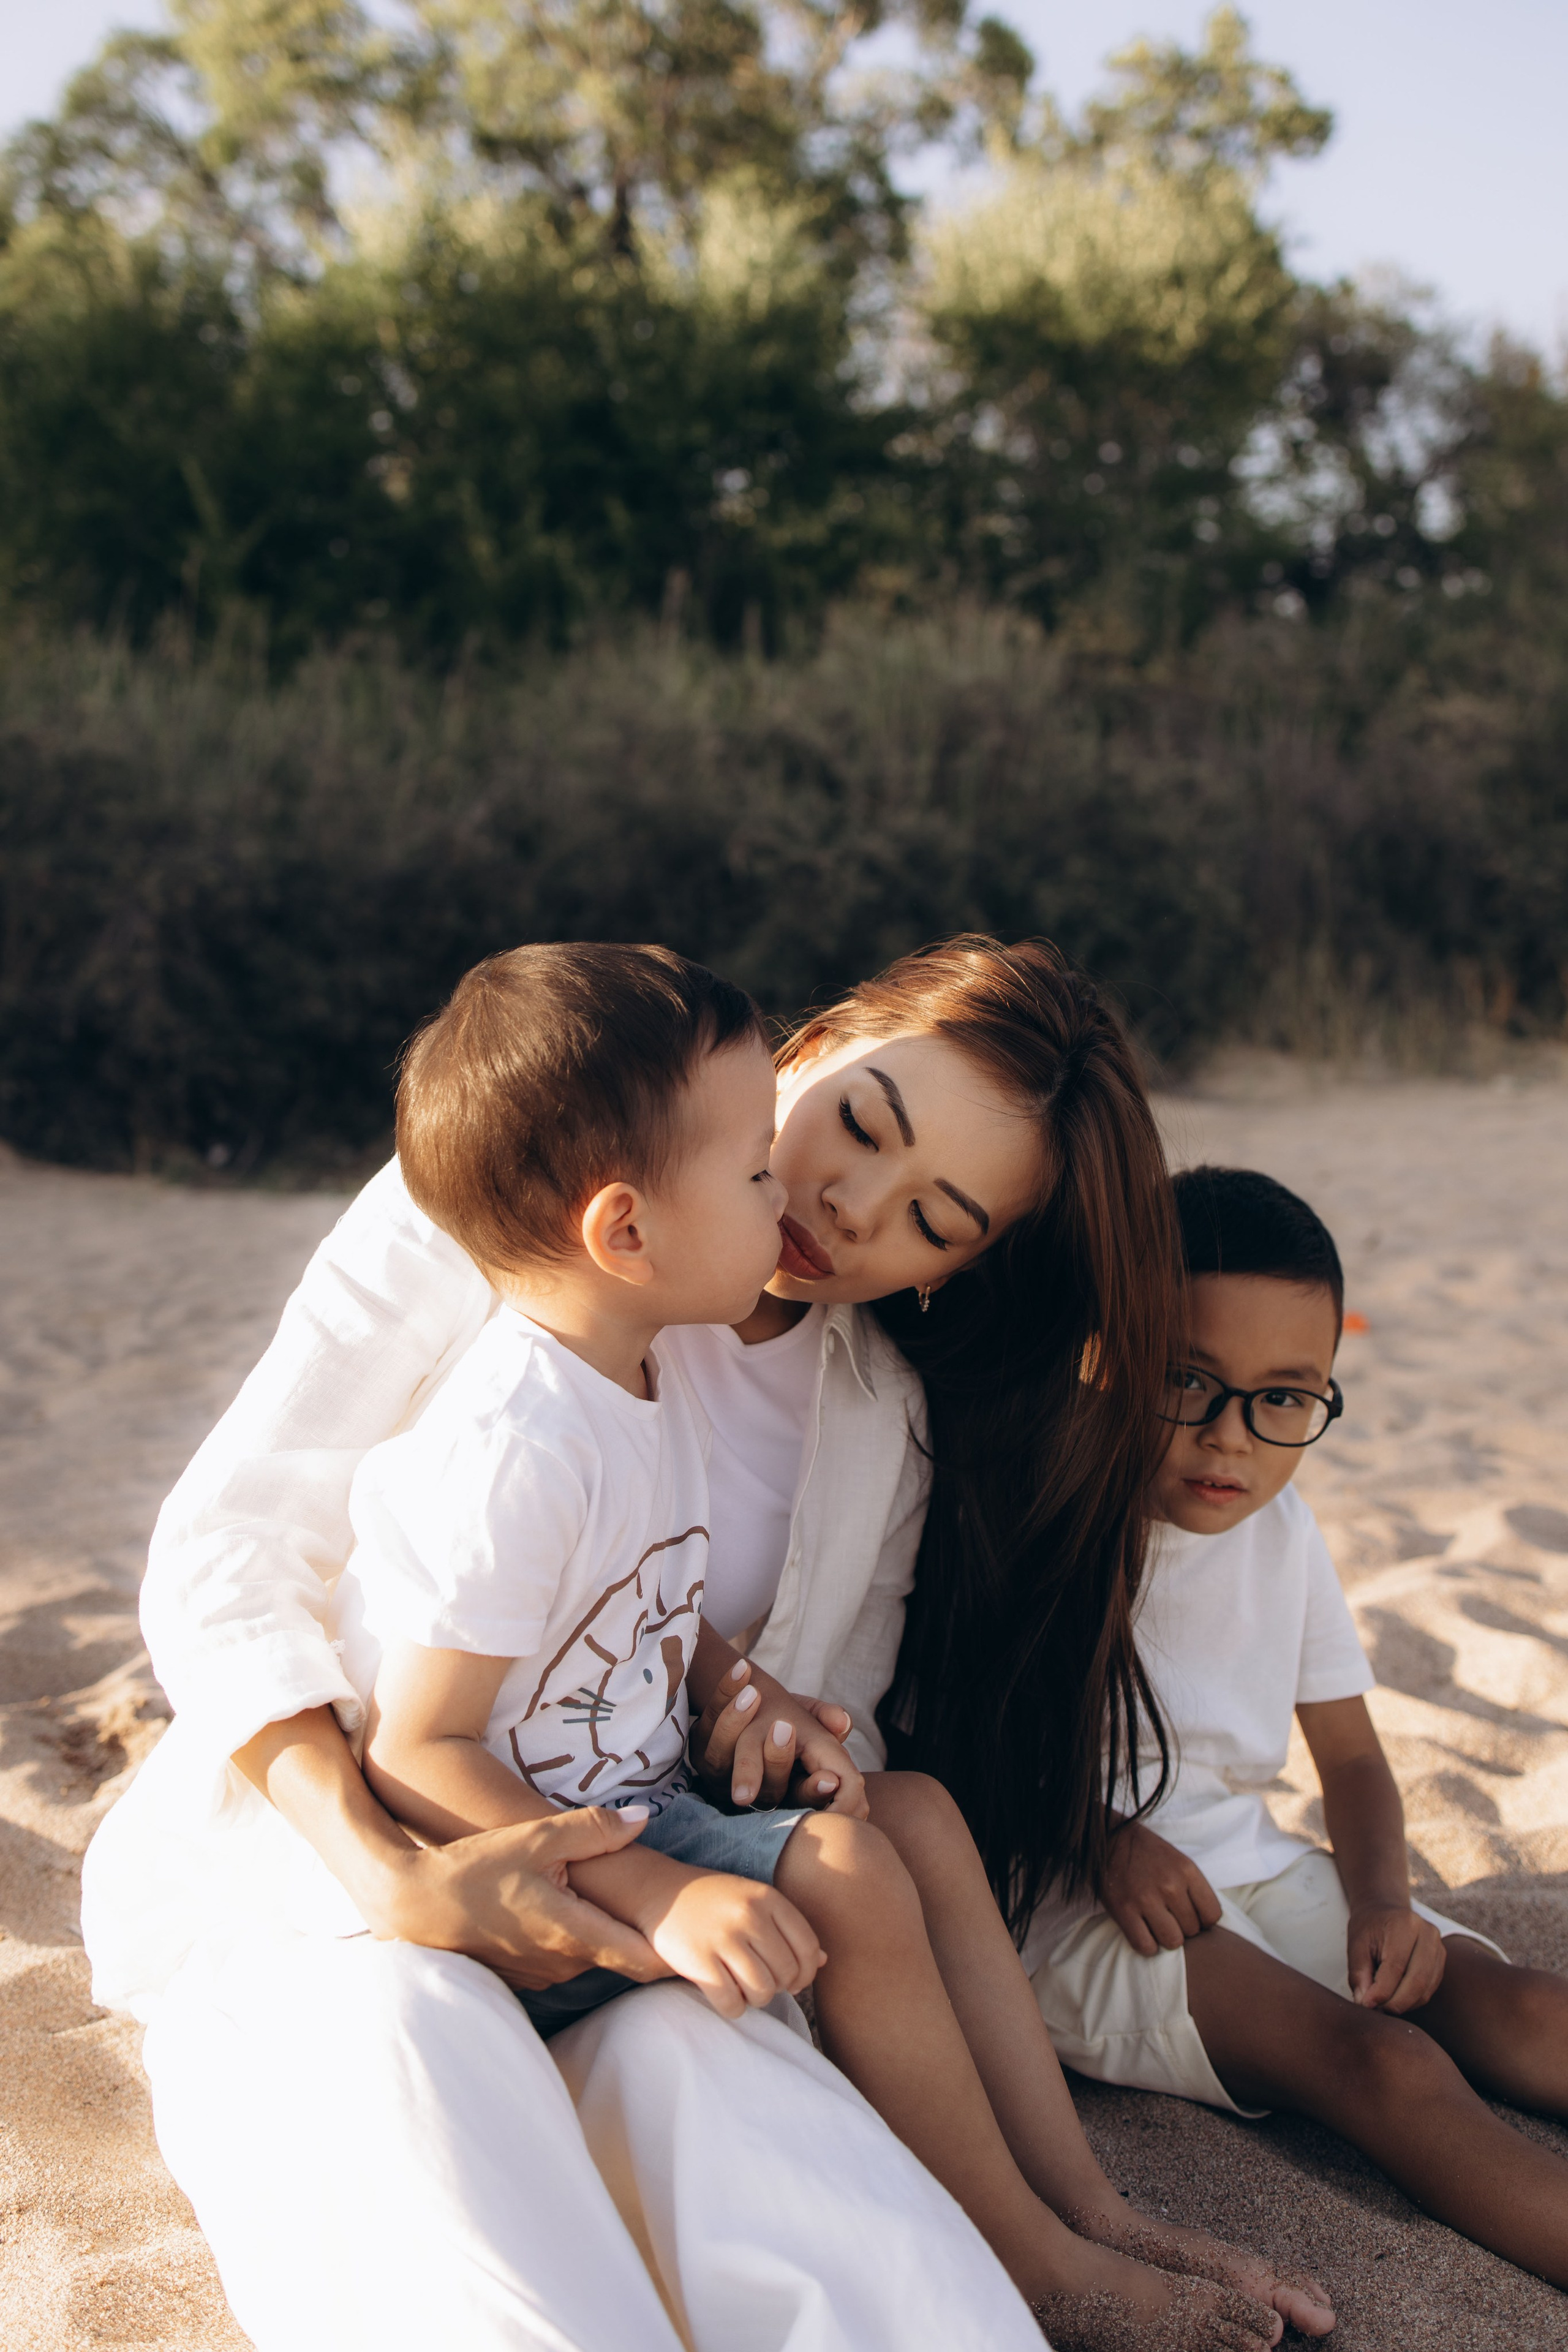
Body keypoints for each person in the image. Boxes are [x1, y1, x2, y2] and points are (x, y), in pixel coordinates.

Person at [80, 937, 1314, 2351]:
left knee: (862, 2252)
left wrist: (768, 1726)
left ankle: (1068, 2231)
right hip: (361, 1854)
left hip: (646, 1869)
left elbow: (760, 1688)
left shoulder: (878, 1420)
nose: (847, 1207)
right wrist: (389, 1871)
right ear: (818, 1041)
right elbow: (231, 1546)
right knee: (434, 2124)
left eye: (934, 1219)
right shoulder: (514, 1197)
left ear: (958, 1269)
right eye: (861, 1125)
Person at [1025, 1164, 1568, 2293]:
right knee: (1387, 2063)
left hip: (1257, 1865)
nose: (1232, 1439)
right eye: (1188, 1381)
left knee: (1510, 2003)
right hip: (1080, 1901)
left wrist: (1384, 1903)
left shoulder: (1285, 1531)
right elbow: (944, 1742)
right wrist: (1097, 1836)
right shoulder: (1054, 1518)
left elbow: (1354, 1756)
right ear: (1111, 1351)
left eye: (1284, 1398)